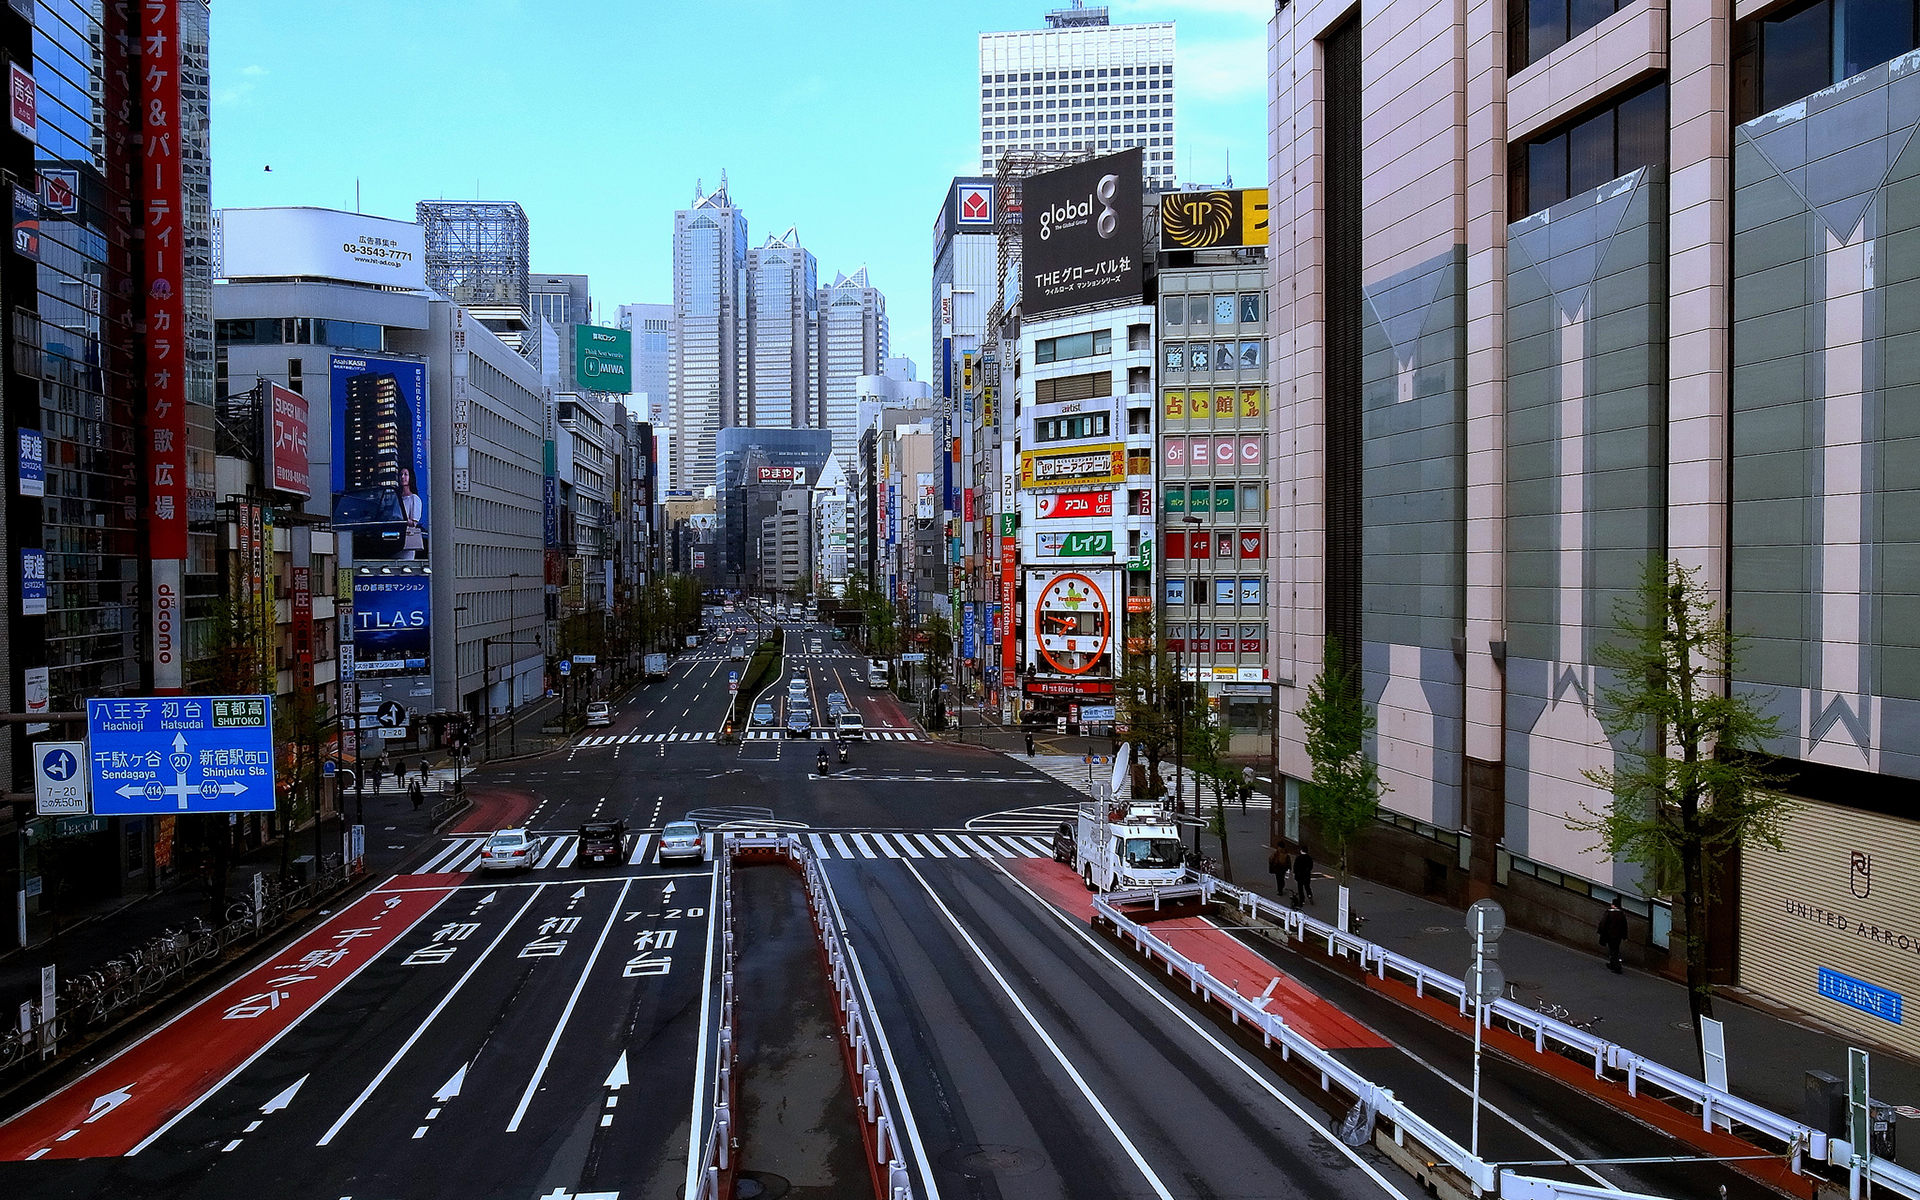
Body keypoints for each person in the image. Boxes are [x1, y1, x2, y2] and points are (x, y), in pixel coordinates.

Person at [397, 466, 425, 560]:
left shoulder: (414, 499)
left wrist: (401, 519)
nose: (403, 477)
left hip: (407, 538)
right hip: (395, 537)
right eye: (401, 474)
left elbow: (414, 523)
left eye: (405, 474)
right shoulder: (396, 498)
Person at [1598, 899, 1629, 974]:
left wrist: (1601, 932)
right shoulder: (1622, 914)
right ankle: (1612, 964)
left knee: (1613, 951)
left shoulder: (1609, 913)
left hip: (1610, 934)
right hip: (1618, 936)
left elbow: (1603, 924)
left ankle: (1617, 967)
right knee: (1615, 949)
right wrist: (1624, 935)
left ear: (1613, 905)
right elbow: (1625, 926)